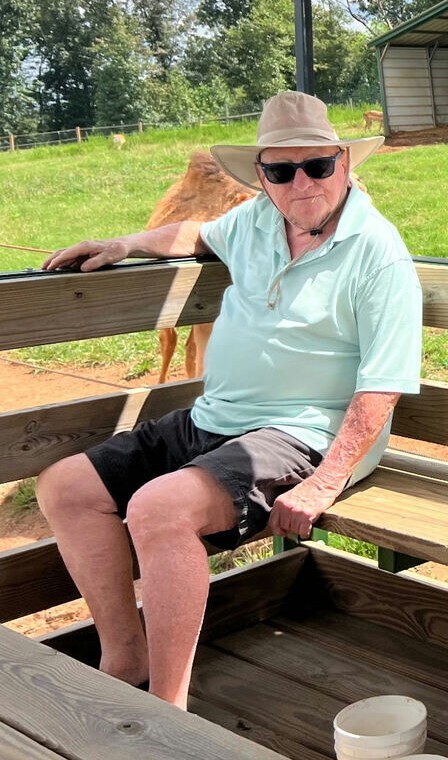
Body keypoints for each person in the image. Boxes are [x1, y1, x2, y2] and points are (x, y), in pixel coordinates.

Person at [36, 91, 422, 709]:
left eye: (318, 166)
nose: (301, 183)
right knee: (66, 487)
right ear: (262, 177)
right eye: (281, 170)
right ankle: (125, 654)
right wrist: (127, 243)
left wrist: (324, 483)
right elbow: (194, 233)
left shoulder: (377, 252)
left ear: (345, 165)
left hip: (305, 434)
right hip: (217, 418)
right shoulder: (256, 221)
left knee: (158, 510)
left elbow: (384, 382)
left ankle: (168, 711)